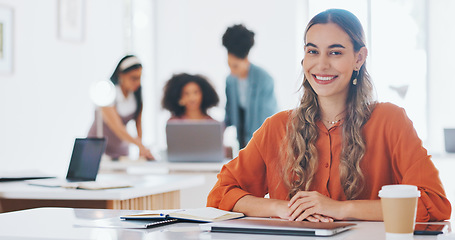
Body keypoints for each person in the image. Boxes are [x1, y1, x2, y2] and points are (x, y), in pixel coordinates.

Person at [207, 9, 451, 222]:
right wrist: (283, 208)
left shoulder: (391, 121)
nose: (321, 65)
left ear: (359, 58)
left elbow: (433, 204)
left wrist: (341, 209)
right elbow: (221, 194)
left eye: (335, 53)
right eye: (313, 51)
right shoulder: (276, 127)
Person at [222, 24, 278, 149]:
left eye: (235, 66)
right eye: (229, 64)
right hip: (241, 142)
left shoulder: (264, 79)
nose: (231, 71)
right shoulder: (230, 81)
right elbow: (229, 114)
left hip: (262, 142)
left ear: (246, 59)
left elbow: (267, 118)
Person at [88, 55, 154, 160]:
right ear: (121, 75)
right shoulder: (107, 93)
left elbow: (139, 124)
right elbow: (117, 127)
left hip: (120, 148)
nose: (138, 82)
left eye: (140, 77)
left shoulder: (136, 96)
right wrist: (140, 146)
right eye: (134, 78)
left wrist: (141, 149)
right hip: (97, 146)